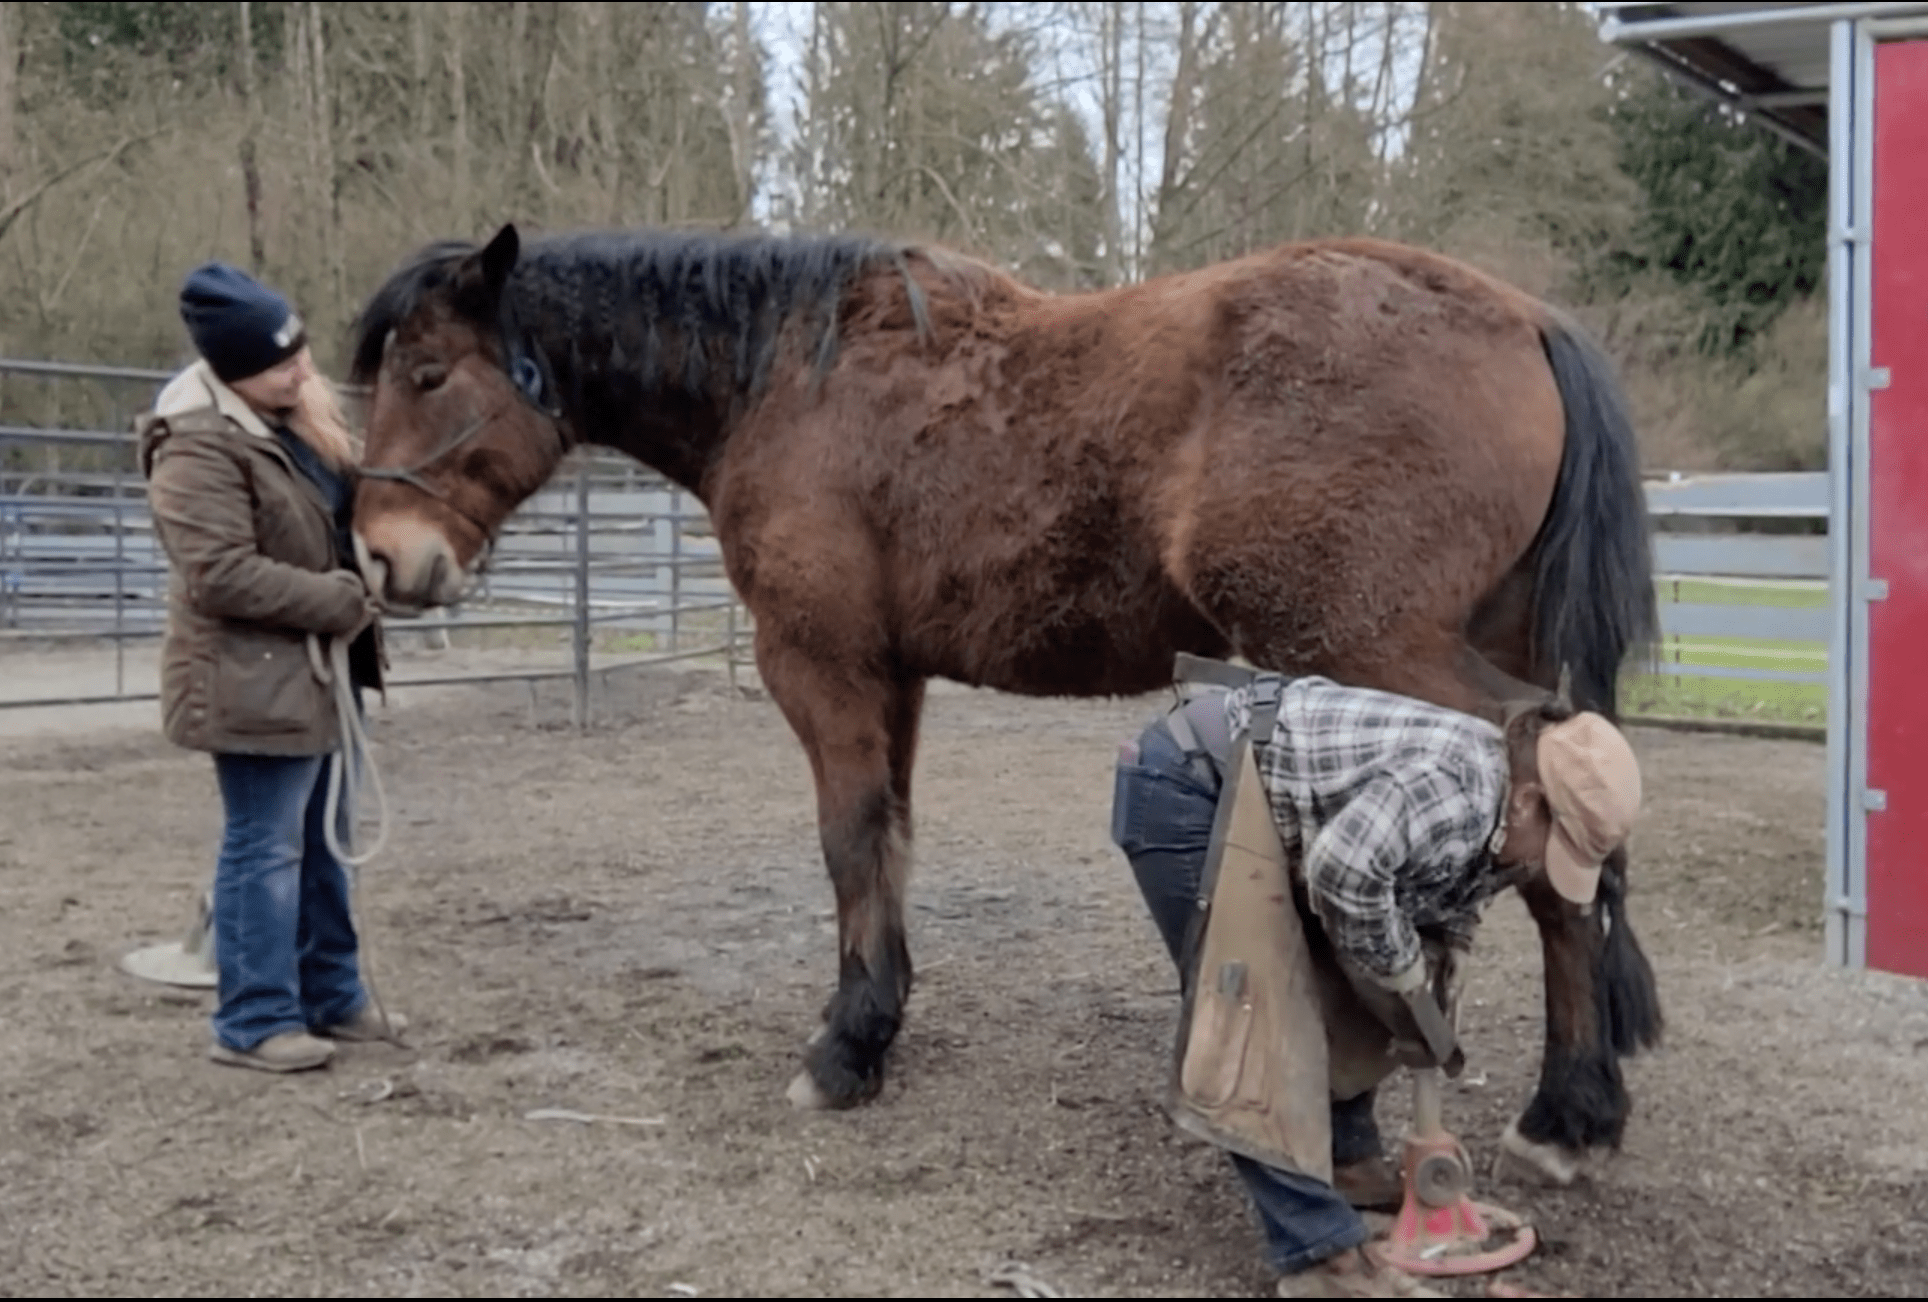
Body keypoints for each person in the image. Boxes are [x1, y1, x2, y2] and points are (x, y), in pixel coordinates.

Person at [1111, 669, 1641, 1298]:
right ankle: (1319, 1258)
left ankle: (1350, 1162)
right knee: (1255, 1020)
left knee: (1357, 992)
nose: (1540, 867)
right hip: (1188, 784)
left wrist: (1433, 980)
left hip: (1274, 803)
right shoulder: (1459, 794)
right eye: (1555, 846)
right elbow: (1342, 870)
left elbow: (1450, 897)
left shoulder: (1509, 812)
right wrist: (1397, 970)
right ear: (1530, 801)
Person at [139, 262, 400, 1073]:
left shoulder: (296, 422)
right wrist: (339, 599)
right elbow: (217, 572)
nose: (302, 369)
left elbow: (336, 518)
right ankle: (252, 1018)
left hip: (318, 674)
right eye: (281, 361)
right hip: (250, 677)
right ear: (232, 369)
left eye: (301, 351)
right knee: (266, 845)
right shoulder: (197, 447)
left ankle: (331, 992)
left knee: (325, 839)